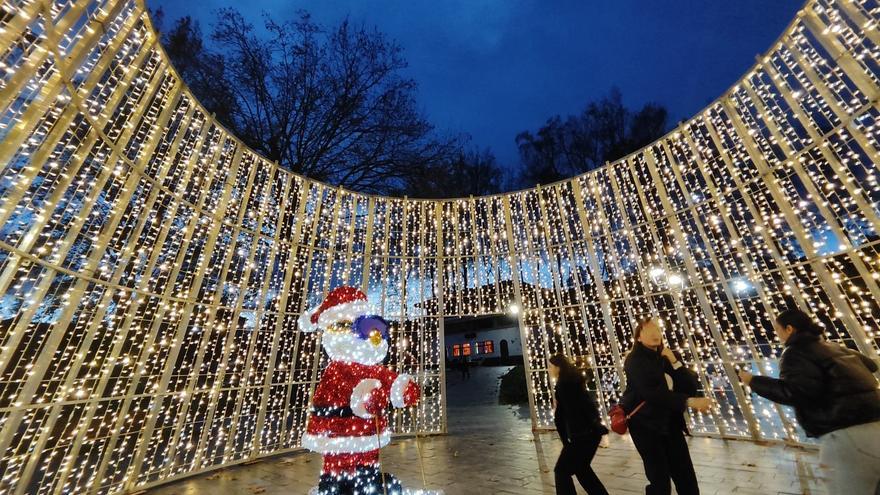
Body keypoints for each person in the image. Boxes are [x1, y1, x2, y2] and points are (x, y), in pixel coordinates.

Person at [738, 308, 880, 494]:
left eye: (778, 329)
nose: (777, 334)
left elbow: (795, 392)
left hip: (844, 434)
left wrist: (753, 381)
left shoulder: (795, 352)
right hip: (875, 424)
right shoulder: (833, 346)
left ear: (789, 329)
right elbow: (871, 365)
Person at [621, 318, 712, 495]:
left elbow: (689, 387)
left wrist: (674, 362)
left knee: (686, 476)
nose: (655, 334)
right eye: (649, 330)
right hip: (645, 426)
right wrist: (688, 401)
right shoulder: (634, 360)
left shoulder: (667, 356)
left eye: (657, 330)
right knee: (659, 480)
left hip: (670, 424)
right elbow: (650, 392)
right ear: (638, 337)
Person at [549, 353, 609, 495]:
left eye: (551, 366)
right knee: (582, 470)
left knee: (561, 471)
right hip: (589, 434)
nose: (549, 369)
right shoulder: (573, 382)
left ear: (558, 367)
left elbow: (572, 412)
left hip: (581, 436)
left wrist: (570, 441)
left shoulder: (564, 386)